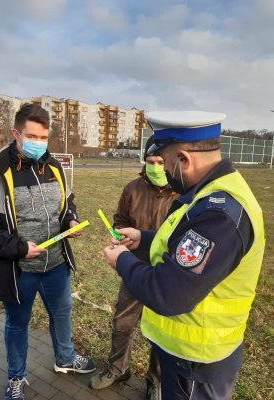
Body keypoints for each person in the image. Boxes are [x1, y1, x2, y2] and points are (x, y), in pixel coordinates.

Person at [103, 111, 265, 400]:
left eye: (164, 163)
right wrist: (143, 238)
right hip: (188, 354)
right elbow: (182, 247)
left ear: (184, 160)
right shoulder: (209, 194)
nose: (161, 172)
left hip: (198, 362)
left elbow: (168, 293)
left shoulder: (218, 213)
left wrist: (123, 261)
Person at [0, 103, 96, 400]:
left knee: (62, 313)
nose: (38, 143)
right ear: (15, 133)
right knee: (17, 324)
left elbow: (67, 203)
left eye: (43, 137)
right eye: (32, 136)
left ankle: (65, 358)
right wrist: (17, 248)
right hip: (18, 270)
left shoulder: (55, 167)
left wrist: (71, 219)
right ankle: (17, 377)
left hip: (55, 265)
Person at [90, 136, 177, 399]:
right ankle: (118, 368)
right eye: (150, 162)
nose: (154, 167)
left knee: (161, 331)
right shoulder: (132, 189)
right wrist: (120, 233)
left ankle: (155, 381)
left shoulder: (183, 193)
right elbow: (120, 220)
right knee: (123, 321)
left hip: (165, 271)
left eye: (160, 162)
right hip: (134, 266)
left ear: (170, 163)